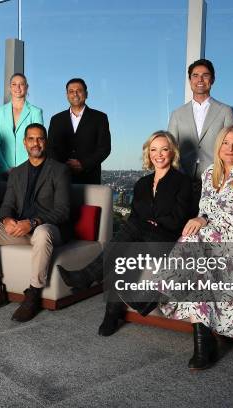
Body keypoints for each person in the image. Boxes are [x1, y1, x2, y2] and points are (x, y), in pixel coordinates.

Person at [159, 125, 233, 370]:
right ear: (218, 146)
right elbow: (205, 210)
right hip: (213, 241)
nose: (230, 149)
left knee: (197, 239)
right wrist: (202, 219)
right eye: (225, 143)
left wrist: (204, 221)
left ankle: (162, 288)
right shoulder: (210, 173)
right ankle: (202, 341)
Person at [57, 131, 193, 336]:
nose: (159, 154)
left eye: (164, 149)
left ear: (172, 153)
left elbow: (177, 219)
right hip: (142, 238)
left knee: (131, 230)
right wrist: (147, 222)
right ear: (148, 154)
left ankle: (87, 276)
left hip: (166, 241)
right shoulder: (141, 184)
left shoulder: (183, 182)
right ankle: (111, 312)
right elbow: (135, 217)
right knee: (125, 253)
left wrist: (151, 222)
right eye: (154, 150)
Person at [0, 123, 71, 322]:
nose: (36, 143)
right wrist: (7, 219)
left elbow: (63, 211)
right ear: (25, 143)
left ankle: (33, 295)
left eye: (40, 138)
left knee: (42, 232)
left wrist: (33, 222)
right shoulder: (16, 172)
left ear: (46, 142)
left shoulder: (59, 170)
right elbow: (7, 205)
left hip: (46, 229)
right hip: (20, 231)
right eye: (31, 139)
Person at [168, 59, 233, 206]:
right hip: (182, 179)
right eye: (195, 75)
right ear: (190, 79)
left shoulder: (225, 111)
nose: (200, 79)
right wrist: (179, 175)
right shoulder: (177, 114)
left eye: (205, 75)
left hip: (217, 180)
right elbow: (171, 149)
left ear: (212, 79)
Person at [47, 78, 111, 184]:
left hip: (90, 178)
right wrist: (63, 166)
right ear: (67, 95)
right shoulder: (56, 119)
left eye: (79, 90)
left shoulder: (100, 118)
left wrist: (83, 164)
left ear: (86, 94)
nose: (75, 94)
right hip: (61, 178)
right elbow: (50, 148)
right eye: (71, 91)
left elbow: (104, 148)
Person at [0, 73, 43, 178]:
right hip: (2, 172)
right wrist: (5, 168)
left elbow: (37, 143)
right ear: (10, 87)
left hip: (28, 171)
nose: (17, 87)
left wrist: (25, 169)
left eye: (21, 84)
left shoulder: (35, 112)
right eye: (14, 84)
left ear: (26, 87)